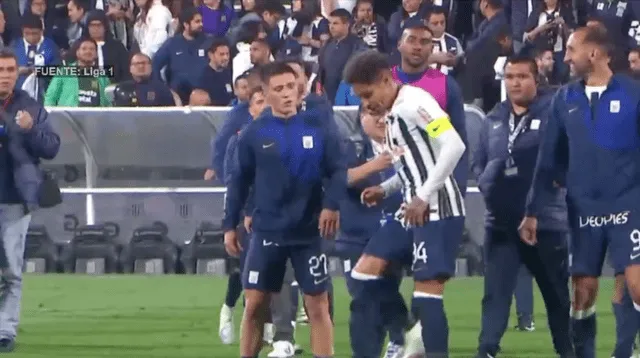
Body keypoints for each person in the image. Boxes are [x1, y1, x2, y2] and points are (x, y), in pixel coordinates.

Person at [519, 26, 640, 358]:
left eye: (571, 50)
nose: (566, 57)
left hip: (629, 203)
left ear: (594, 54)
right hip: (583, 208)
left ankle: (624, 351)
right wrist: (532, 210)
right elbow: (548, 157)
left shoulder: (633, 94)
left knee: (635, 284)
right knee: (583, 292)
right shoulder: (565, 98)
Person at [345, 50, 466, 358]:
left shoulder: (416, 103)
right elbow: (413, 166)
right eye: (360, 98)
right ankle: (408, 331)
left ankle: (427, 347)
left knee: (428, 297)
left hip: (437, 208)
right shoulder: (394, 113)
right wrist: (385, 189)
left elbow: (454, 145)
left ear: (386, 80)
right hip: (411, 208)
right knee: (363, 274)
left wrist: (424, 196)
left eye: (368, 94)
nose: (366, 104)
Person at [222, 61, 344, 358]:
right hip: (267, 231)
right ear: (265, 93)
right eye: (279, 89)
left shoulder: (319, 127)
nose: (288, 94)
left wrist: (331, 205)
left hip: (308, 233)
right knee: (255, 305)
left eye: (291, 86)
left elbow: (339, 170)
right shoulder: (252, 134)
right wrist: (229, 226)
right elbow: (238, 183)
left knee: (317, 305)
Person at [471, 55, 573, 358]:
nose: (515, 82)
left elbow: (568, 154)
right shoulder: (494, 118)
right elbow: (479, 161)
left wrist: (560, 178)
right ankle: (486, 351)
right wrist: (488, 184)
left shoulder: (555, 111)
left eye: (522, 76)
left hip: (545, 222)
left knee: (556, 297)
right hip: (501, 223)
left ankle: (568, 351)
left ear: (536, 79)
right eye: (510, 76)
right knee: (495, 295)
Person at [334, 107, 414, 358]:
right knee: (363, 295)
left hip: (393, 235)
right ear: (361, 118)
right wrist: (374, 165)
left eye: (386, 114)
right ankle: (402, 332)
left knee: (380, 292)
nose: (381, 120)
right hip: (358, 236)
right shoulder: (352, 147)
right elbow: (339, 180)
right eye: (373, 114)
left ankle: (396, 339)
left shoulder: (408, 147)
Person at [0, 48, 60, 352]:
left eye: (10, 70)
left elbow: (51, 147)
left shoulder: (30, 106)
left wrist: (31, 128)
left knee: (10, 268)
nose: (5, 75)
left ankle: (5, 331)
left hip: (13, 198)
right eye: (1, 70)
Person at [218, 86, 267, 346]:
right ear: (251, 108)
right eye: (259, 102)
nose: (264, 106)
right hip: (245, 213)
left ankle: (272, 331)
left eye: (266, 101)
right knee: (245, 271)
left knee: (271, 271)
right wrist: (233, 220)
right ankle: (228, 310)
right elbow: (233, 181)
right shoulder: (239, 139)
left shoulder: (282, 135)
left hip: (270, 212)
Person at [43, 38, 111, 107]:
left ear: (96, 54)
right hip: (69, 117)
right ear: (77, 52)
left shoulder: (102, 76)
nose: (88, 51)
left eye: (92, 49)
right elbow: (50, 98)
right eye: (84, 49)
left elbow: (108, 102)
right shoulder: (64, 72)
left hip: (96, 117)